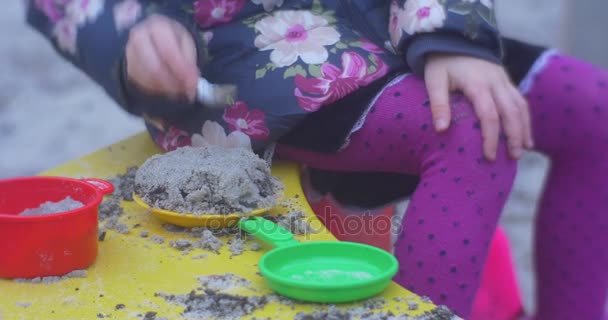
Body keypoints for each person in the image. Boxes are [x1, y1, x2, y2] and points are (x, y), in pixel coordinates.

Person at [26, 0, 608, 319]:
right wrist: (134, 34)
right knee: (471, 130)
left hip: (391, 18)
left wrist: (452, 35)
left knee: (591, 109)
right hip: (247, 50)